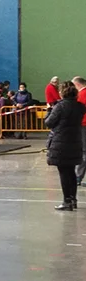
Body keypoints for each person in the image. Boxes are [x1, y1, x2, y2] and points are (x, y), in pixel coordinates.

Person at [44, 82, 85, 211]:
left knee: (63, 173)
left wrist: (49, 111)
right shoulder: (80, 106)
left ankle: (66, 201)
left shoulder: (60, 106)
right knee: (71, 172)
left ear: (62, 93)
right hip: (75, 140)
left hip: (61, 142)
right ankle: (73, 199)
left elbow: (49, 123)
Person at [72, 76, 86, 186]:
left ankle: (78, 176)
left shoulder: (82, 95)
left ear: (77, 84)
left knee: (83, 151)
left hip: (83, 125)